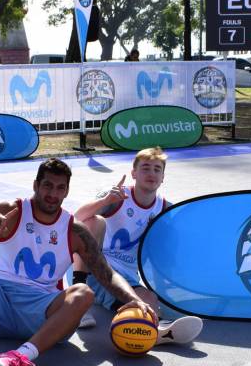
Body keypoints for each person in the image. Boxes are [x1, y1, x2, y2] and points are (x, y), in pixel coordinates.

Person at [0, 158, 157, 366]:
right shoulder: (12, 211)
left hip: (40, 316)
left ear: (66, 191)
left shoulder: (74, 230)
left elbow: (107, 274)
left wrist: (134, 300)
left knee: (83, 293)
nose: (53, 194)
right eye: (48, 185)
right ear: (36, 185)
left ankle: (19, 358)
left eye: (60, 188)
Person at [71, 147, 203, 344]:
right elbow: (76, 220)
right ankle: (77, 297)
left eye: (157, 169)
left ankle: (154, 331)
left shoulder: (164, 209)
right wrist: (104, 201)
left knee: (149, 299)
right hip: (92, 267)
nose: (151, 173)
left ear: (163, 177)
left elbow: (165, 254)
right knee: (93, 221)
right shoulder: (117, 195)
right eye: (145, 168)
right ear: (134, 173)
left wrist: (165, 292)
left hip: (123, 276)